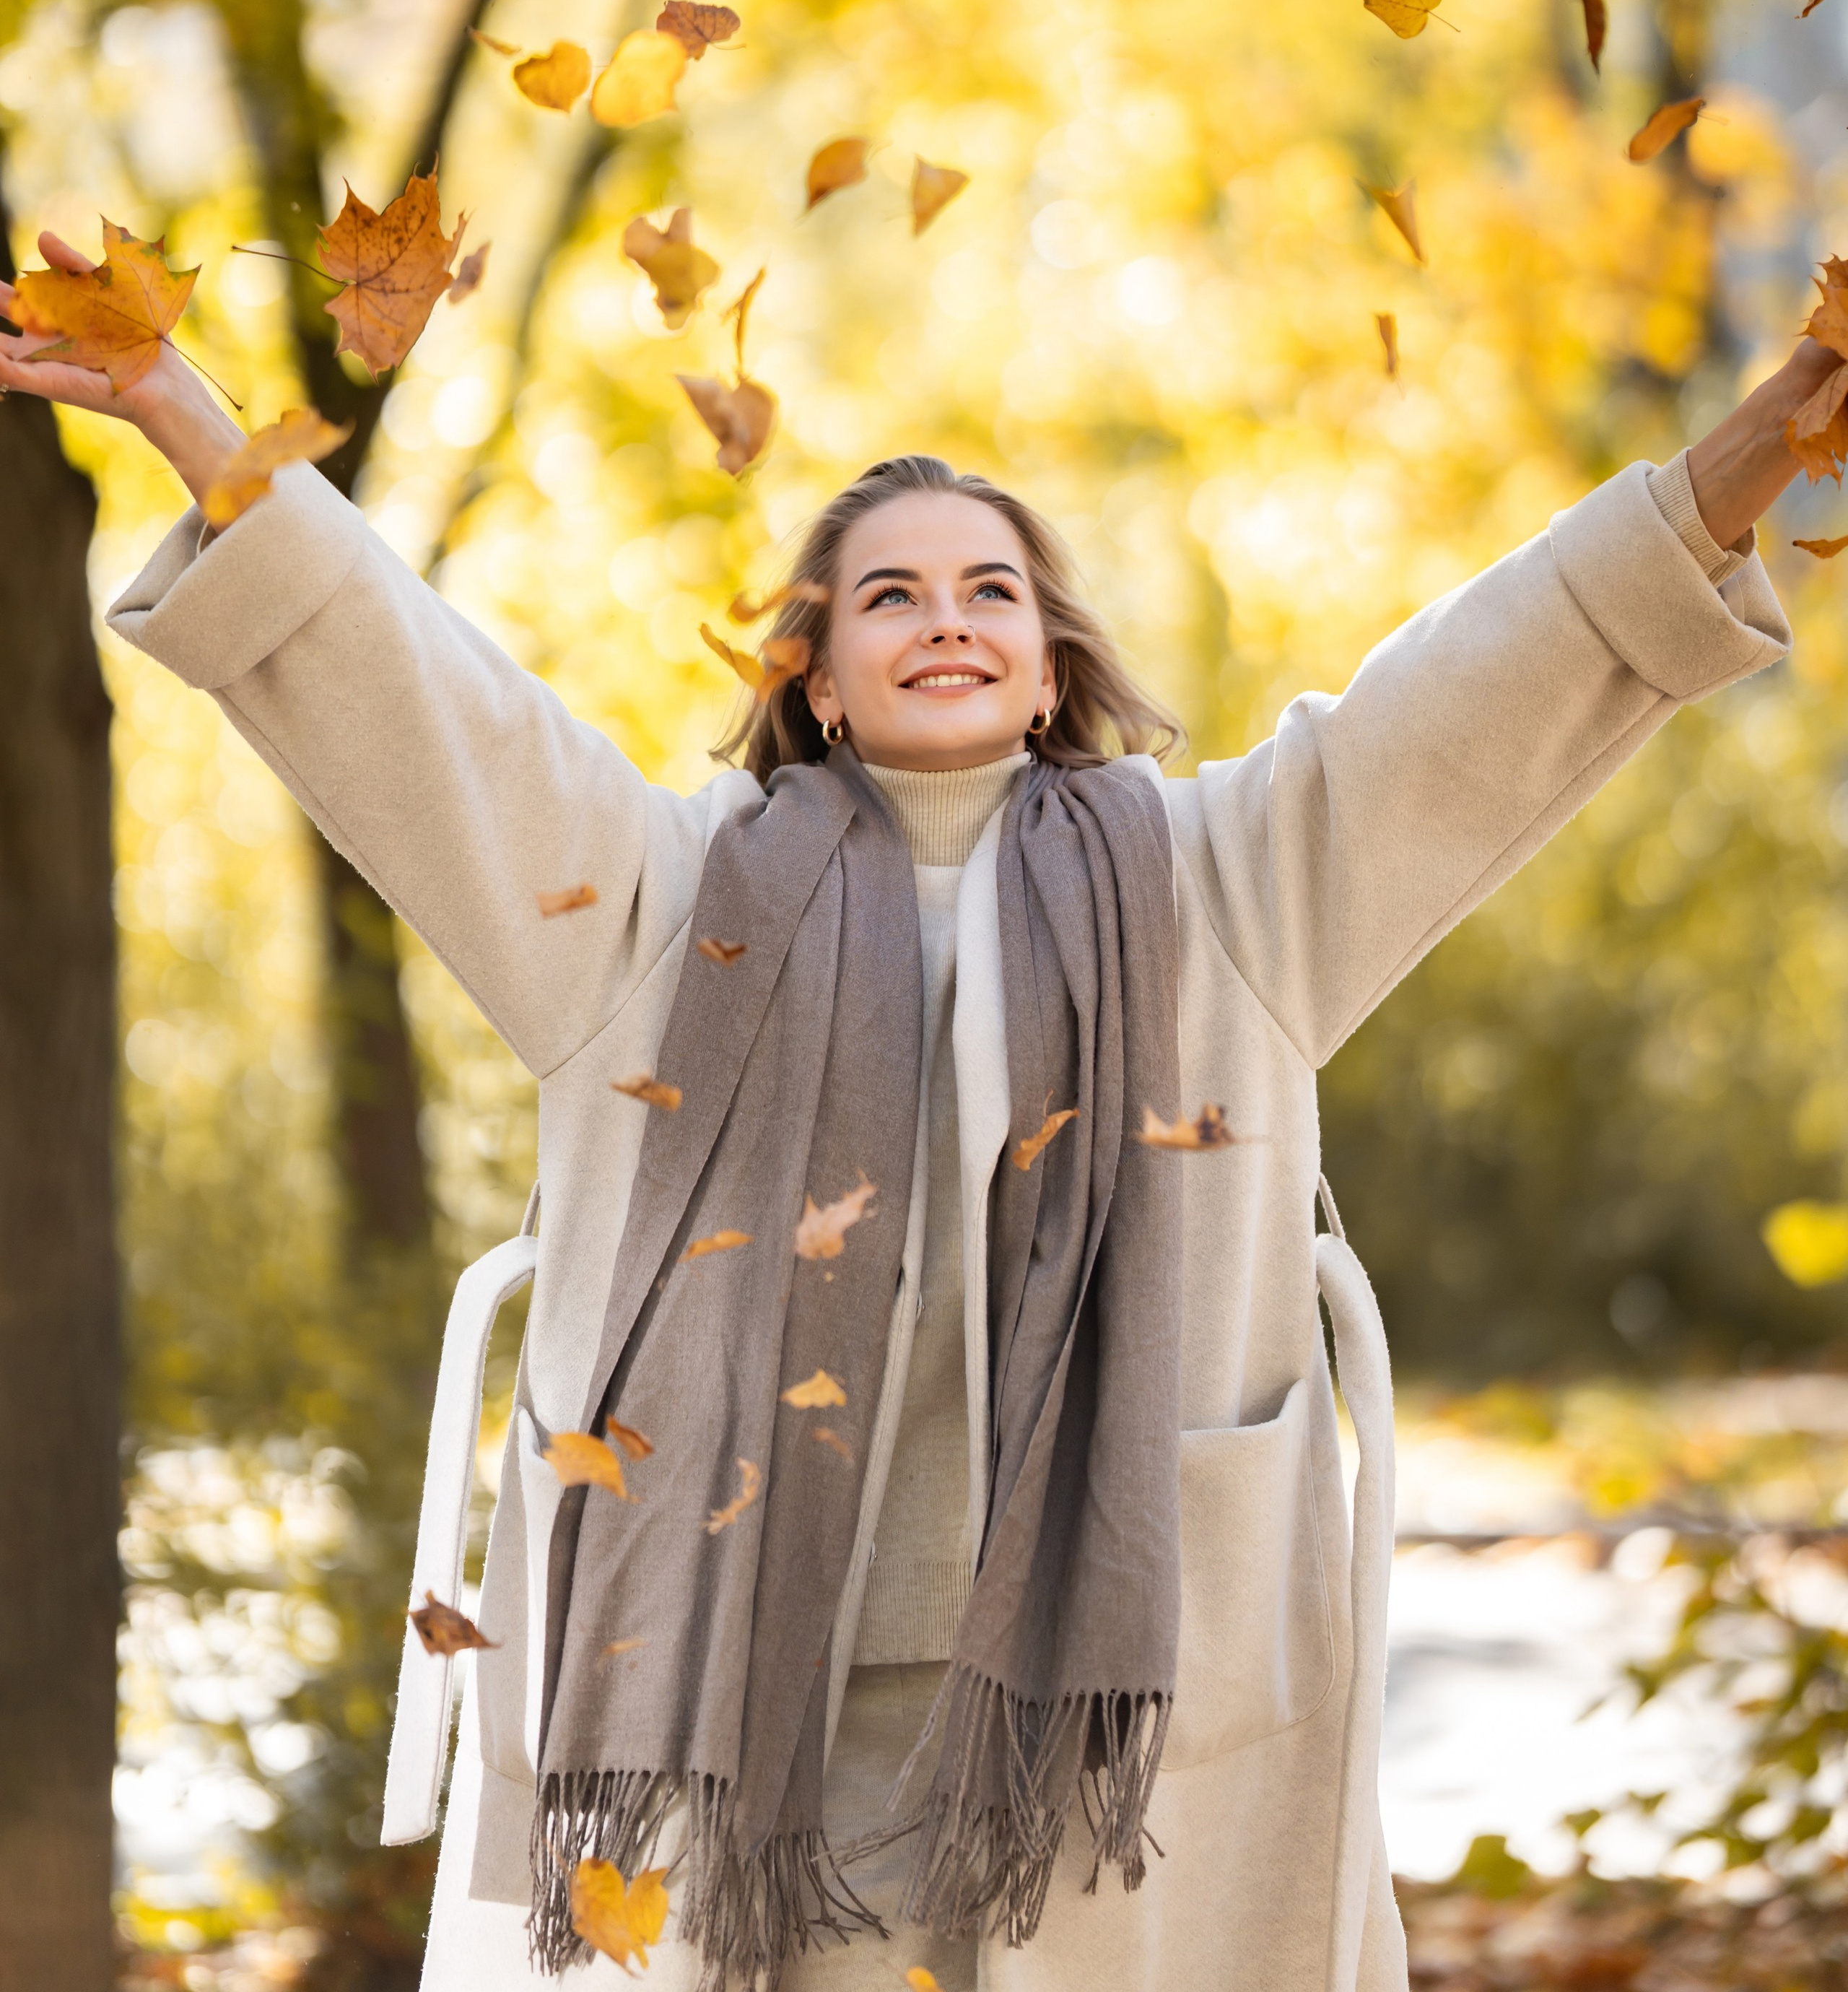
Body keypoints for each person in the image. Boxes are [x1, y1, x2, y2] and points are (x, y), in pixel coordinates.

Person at [4, 227, 1827, 1992]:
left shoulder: (1223, 883)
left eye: (988, 593)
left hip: (1107, 1718)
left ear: (1048, 669)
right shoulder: (656, 903)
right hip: (740, 1708)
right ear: (811, 672)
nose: (942, 621)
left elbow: (1485, 681)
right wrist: (184, 406)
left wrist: (1770, 430)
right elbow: (422, 698)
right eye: (887, 593)